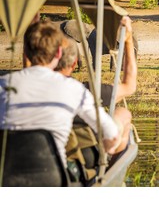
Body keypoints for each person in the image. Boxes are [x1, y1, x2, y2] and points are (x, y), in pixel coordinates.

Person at [0, 20, 126, 167]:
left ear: (26, 52)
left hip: (6, 177)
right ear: (59, 52)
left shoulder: (3, 85)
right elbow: (110, 133)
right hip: (55, 176)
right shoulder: (73, 88)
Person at [55, 16, 137, 167]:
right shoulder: (82, 92)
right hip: (79, 162)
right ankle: (108, 171)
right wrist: (128, 40)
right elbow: (129, 86)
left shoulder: (8, 88)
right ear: (74, 64)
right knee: (123, 114)